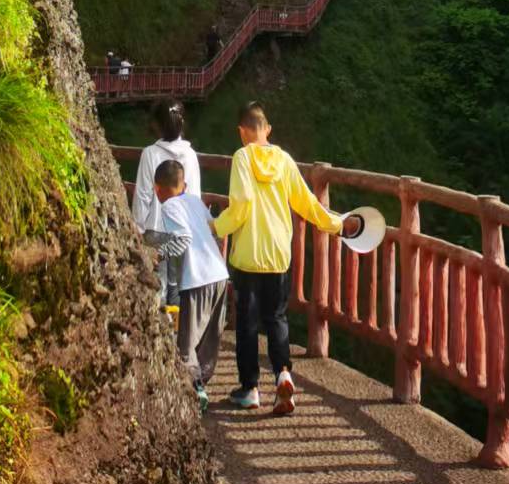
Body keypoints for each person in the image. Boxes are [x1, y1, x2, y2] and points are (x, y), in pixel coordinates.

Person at [213, 101, 362, 414]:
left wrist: (215, 226)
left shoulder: (242, 157)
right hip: (279, 254)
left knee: (247, 324)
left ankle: (250, 388)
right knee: (277, 318)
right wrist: (336, 225)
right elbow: (307, 204)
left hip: (247, 256)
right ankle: (283, 373)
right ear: (267, 129)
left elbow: (240, 206)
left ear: (242, 132)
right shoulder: (284, 160)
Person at [146, 159, 228, 414]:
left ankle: (195, 390)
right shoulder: (194, 201)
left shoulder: (169, 206)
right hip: (220, 275)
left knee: (186, 343)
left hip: (197, 279)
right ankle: (201, 384)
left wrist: (158, 254)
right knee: (209, 340)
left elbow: (182, 239)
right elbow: (213, 230)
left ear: (157, 189)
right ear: (184, 184)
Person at [133, 102, 204, 302]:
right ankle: (177, 330)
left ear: (158, 126)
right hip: (182, 232)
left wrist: (138, 228)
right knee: (180, 288)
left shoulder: (150, 153)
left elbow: (143, 195)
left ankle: (157, 329)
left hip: (155, 230)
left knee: (156, 288)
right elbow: (195, 197)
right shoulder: (190, 156)